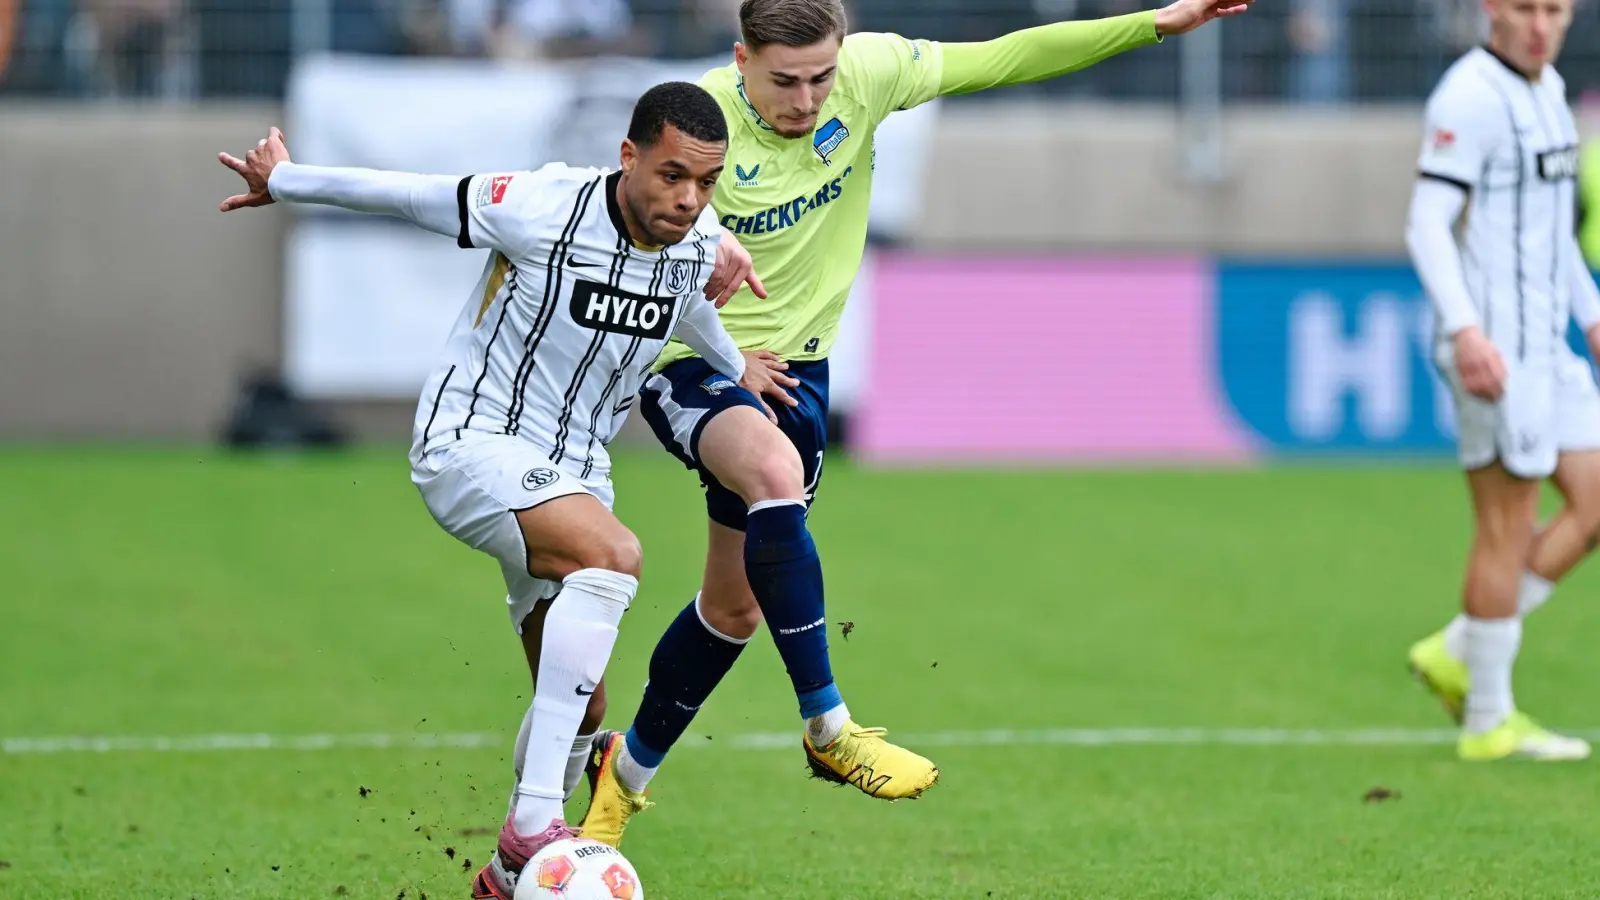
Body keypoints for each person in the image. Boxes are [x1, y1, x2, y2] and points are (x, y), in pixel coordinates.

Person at [574, 0, 1257, 847]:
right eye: (785, 81)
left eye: (821, 76)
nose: (807, 99)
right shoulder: (701, 125)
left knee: (735, 609)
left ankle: (620, 782)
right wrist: (703, 259)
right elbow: (625, 215)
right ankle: (828, 725)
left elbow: (1009, 56)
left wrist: (1153, 23)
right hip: (696, 360)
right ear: (742, 59)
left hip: (799, 375)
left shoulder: (870, 74)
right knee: (774, 474)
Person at [217, 82, 760, 898]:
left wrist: (738, 365)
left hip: (576, 476)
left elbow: (687, 306)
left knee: (580, 709)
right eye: (673, 175)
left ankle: (506, 878)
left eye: (706, 183)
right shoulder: (541, 206)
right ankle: (535, 821)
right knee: (614, 557)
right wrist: (286, 181)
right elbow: (411, 195)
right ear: (629, 156)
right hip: (472, 443)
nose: (689, 199)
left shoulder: (695, 240)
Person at [1404, 0, 1600, 762]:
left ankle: (1461, 646)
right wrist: (1465, 330)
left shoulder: (1548, 89)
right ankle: (1488, 719)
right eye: (1525, 8)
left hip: (1549, 344)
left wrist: (1590, 314)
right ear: (1492, 8)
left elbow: (1553, 231)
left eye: (1554, 9)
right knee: (1506, 525)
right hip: (1495, 349)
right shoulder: (1468, 95)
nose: (1540, 25)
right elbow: (1426, 223)